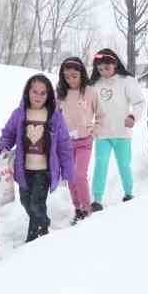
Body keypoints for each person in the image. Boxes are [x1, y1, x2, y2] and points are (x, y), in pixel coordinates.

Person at [0, 73, 74, 242]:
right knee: (26, 202)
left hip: (44, 170)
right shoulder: (19, 114)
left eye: (43, 93)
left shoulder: (54, 116)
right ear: (28, 92)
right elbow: (8, 134)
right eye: (35, 92)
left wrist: (67, 170)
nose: (38, 96)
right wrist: (4, 147)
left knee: (36, 204)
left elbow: (64, 145)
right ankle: (42, 222)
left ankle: (36, 237)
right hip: (23, 169)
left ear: (48, 95)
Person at [89, 48, 147, 207]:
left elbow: (139, 102)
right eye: (100, 69)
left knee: (124, 165)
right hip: (102, 133)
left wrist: (133, 116)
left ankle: (129, 193)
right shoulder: (94, 84)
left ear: (114, 64)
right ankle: (97, 199)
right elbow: (87, 106)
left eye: (106, 68)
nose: (103, 72)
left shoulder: (127, 81)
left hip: (122, 133)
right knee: (100, 165)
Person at [55, 57, 100, 222]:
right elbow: (55, 117)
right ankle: (78, 208)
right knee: (70, 176)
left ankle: (87, 209)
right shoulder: (60, 93)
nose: (71, 80)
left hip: (84, 142)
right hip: (66, 143)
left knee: (80, 175)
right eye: (67, 77)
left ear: (81, 74)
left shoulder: (90, 92)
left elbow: (101, 114)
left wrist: (94, 130)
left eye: (74, 76)